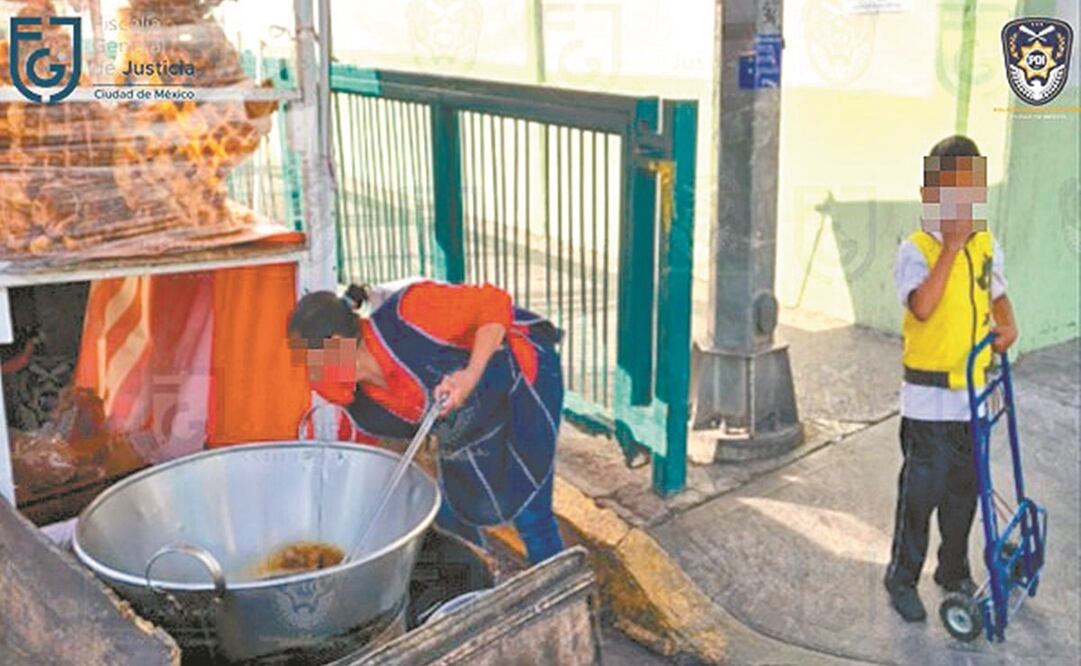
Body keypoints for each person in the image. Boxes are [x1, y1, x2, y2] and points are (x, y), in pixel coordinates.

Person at [287, 279, 566, 565]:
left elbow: (494, 303)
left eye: (311, 361)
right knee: (449, 511)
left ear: (335, 345)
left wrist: (470, 374)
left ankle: (566, 598)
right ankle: (481, 578)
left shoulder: (410, 314)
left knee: (531, 509)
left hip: (522, 377)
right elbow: (367, 463)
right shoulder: (360, 402)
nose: (310, 374)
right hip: (469, 417)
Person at [884, 135, 1019, 621]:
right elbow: (922, 306)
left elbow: (995, 293)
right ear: (929, 197)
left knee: (964, 491)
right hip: (926, 403)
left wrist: (1008, 322)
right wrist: (951, 248)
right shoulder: (916, 249)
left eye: (969, 195)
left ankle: (953, 568)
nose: (960, 206)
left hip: (972, 398)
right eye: (949, 195)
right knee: (920, 495)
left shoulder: (986, 245)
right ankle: (901, 576)